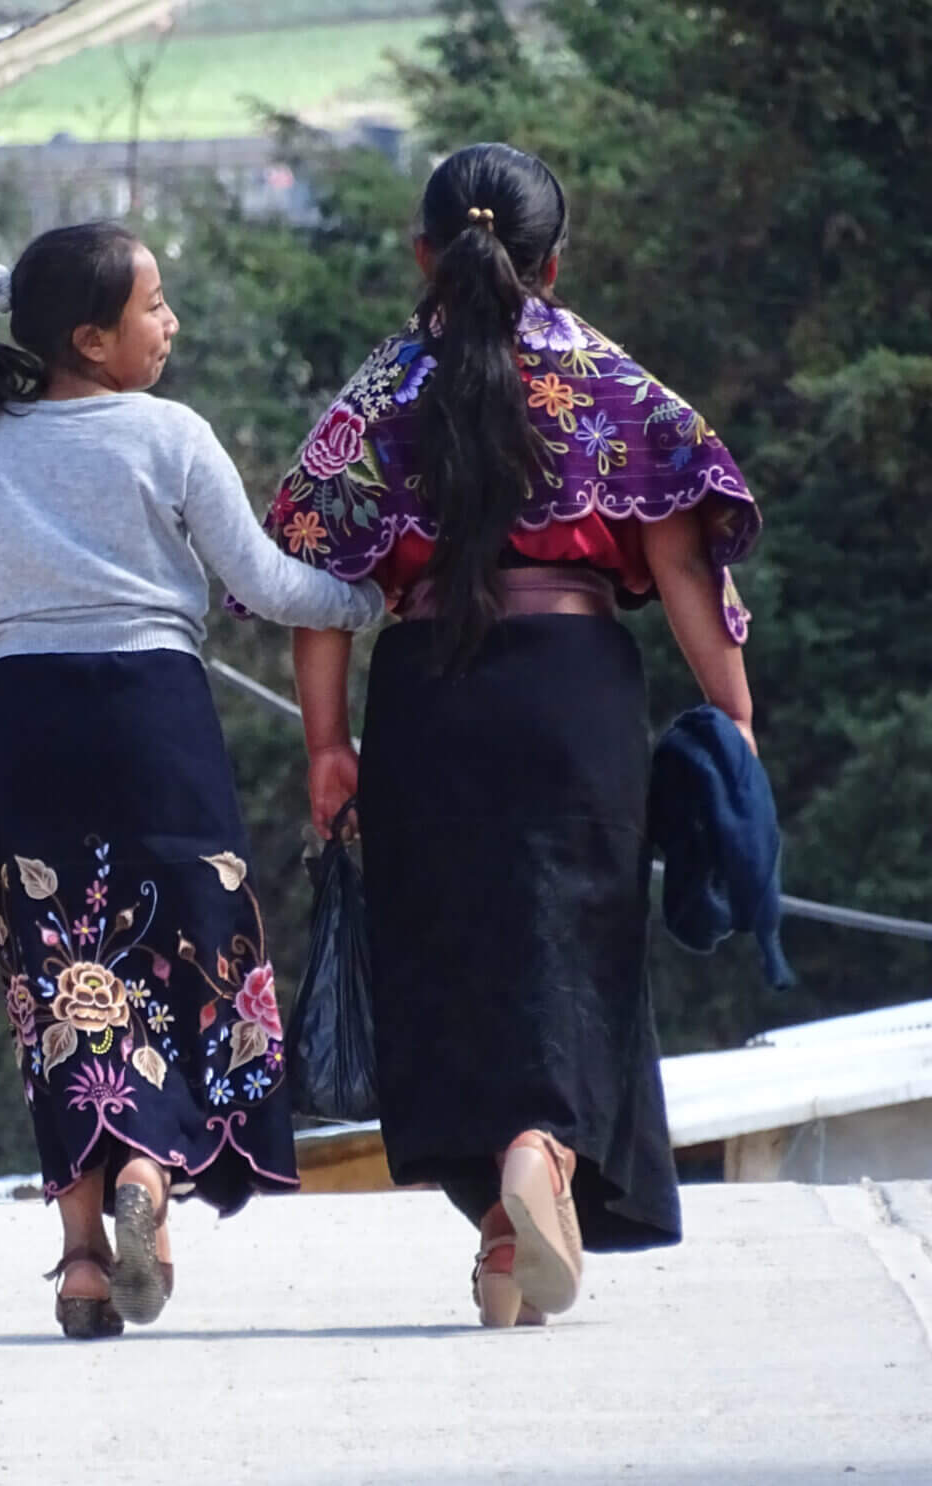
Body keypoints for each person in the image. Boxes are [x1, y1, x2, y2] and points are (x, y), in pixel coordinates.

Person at [264, 143, 763, 1327]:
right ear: (555, 256)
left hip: (428, 696)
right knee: (570, 938)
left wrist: (327, 746)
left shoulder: (379, 394)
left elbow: (313, 584)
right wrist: (732, 712)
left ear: (421, 252)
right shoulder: (607, 382)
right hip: (572, 689)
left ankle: (500, 1233)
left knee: (452, 948)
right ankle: (538, 1156)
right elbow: (679, 553)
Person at [0, 223, 384, 1339]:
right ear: (91, 338)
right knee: (184, 951)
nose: (171, 324)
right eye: (154, 307)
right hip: (157, 719)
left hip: (29, 729)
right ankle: (153, 1168)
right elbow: (257, 580)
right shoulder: (170, 435)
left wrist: (0, 560)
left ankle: (78, 1263)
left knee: (59, 978)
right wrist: (364, 600)